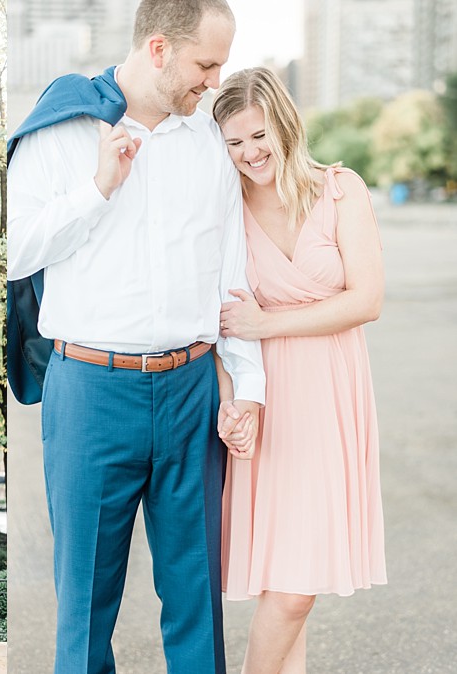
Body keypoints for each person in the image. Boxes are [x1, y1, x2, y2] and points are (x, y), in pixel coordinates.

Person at [6, 1, 266, 671]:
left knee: (197, 599)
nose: (213, 82)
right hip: (90, 392)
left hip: (192, 391)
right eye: (206, 64)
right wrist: (97, 188)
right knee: (85, 606)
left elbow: (231, 276)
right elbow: (11, 251)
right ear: (159, 50)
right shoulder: (63, 130)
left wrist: (250, 391)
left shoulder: (208, 143)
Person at [212, 67, 387, 673]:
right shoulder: (225, 207)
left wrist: (270, 323)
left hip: (330, 394)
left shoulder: (342, 190)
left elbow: (366, 300)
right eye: (234, 143)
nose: (250, 153)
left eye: (258, 136)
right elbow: (221, 322)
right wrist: (232, 402)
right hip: (267, 399)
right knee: (286, 584)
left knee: (295, 588)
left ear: (284, 125)